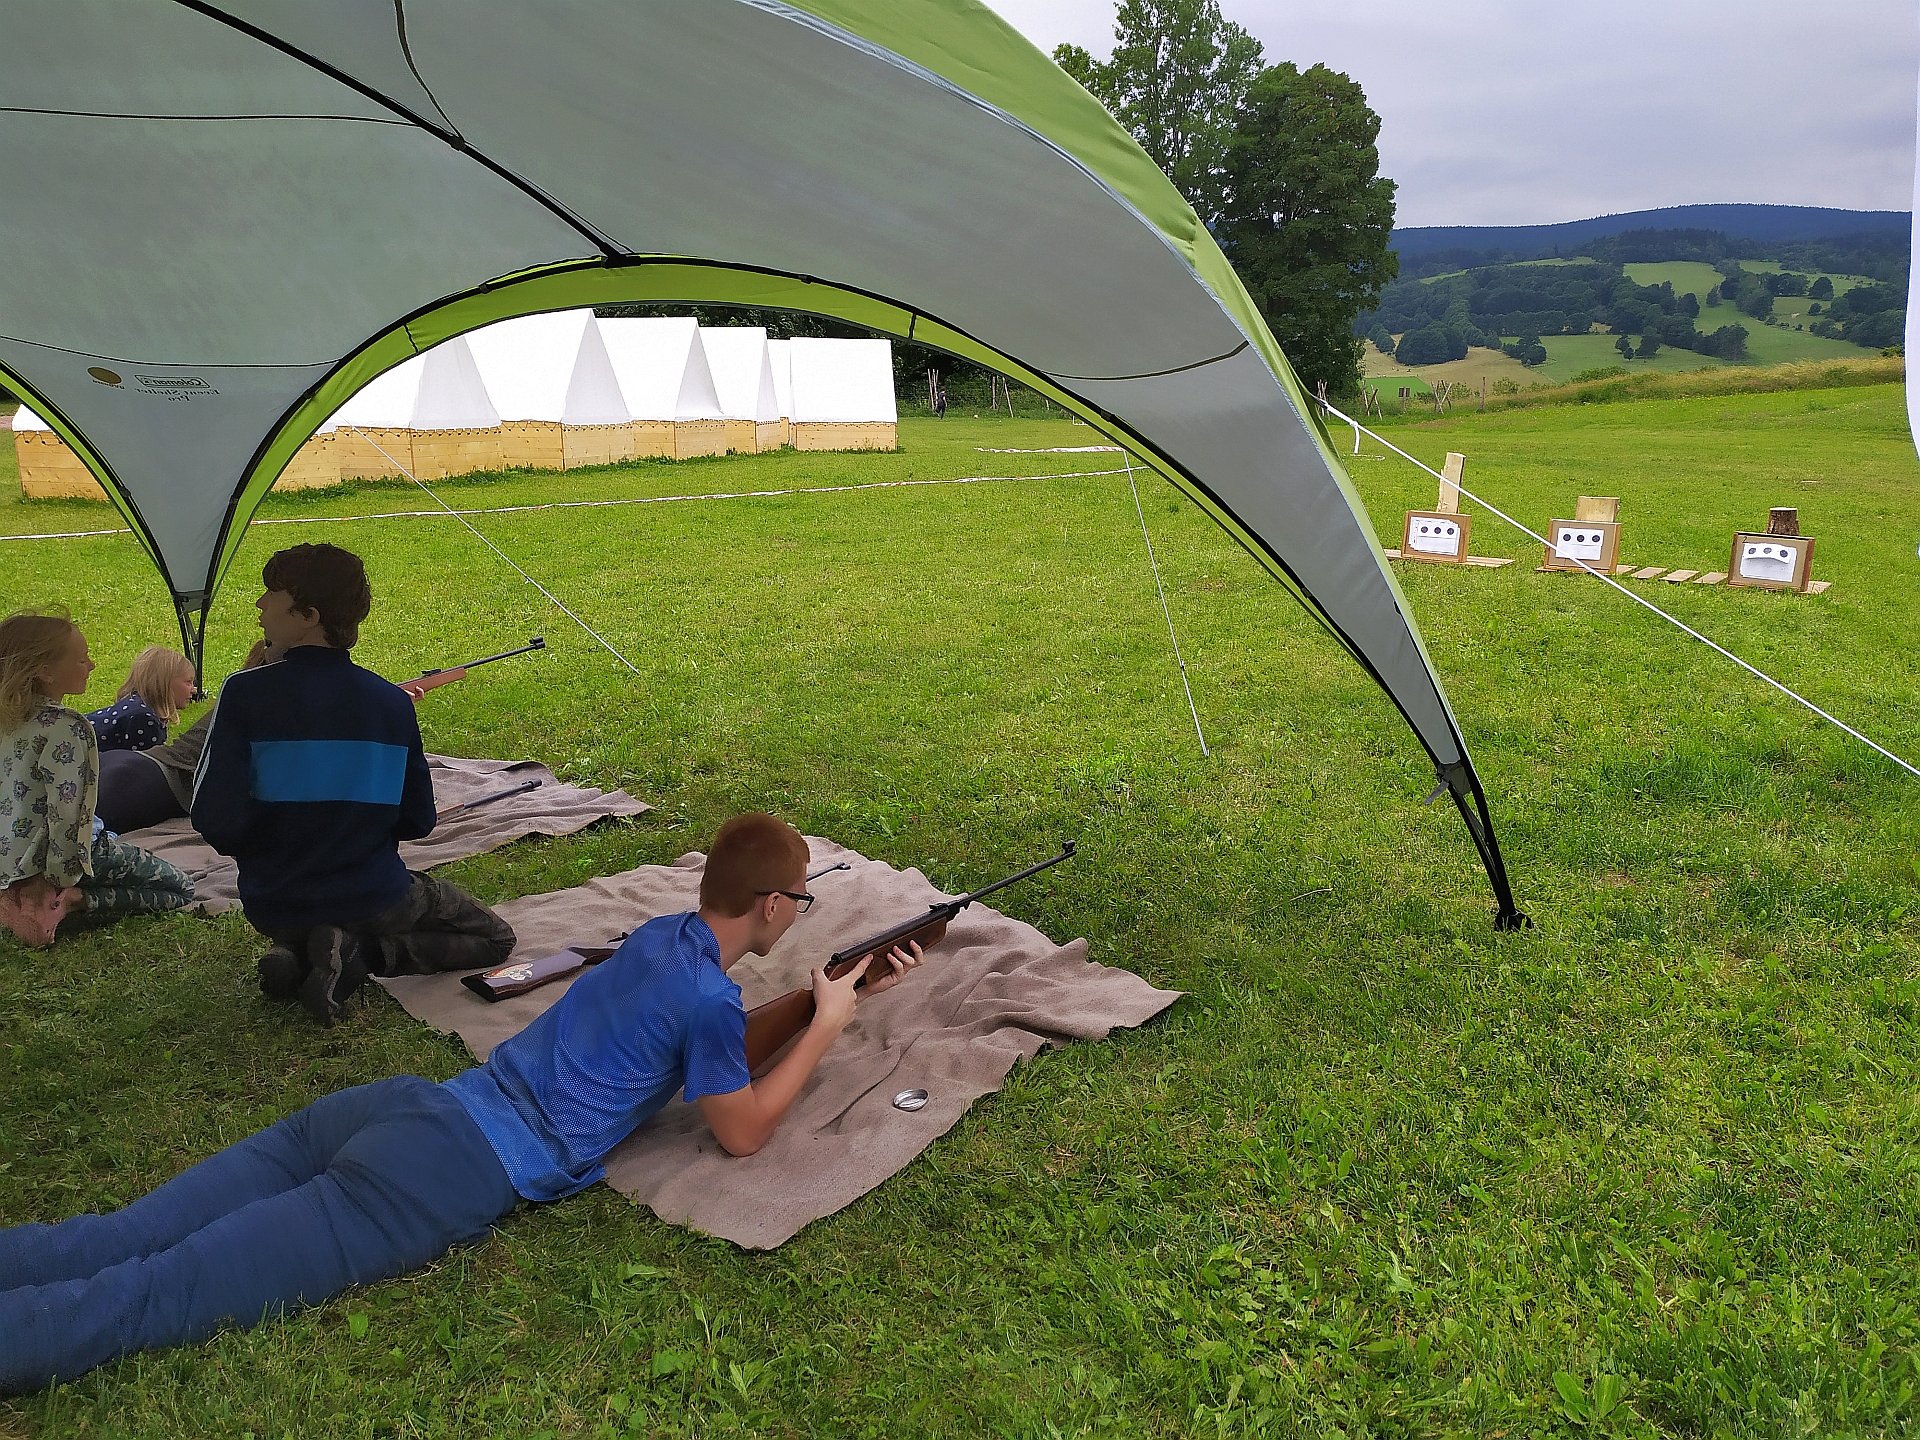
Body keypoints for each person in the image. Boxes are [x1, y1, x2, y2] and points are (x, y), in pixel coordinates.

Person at [0, 811, 921, 1393]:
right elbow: (742, 1129)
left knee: (124, 1236)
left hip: (399, 1108)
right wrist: (829, 1027)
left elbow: (704, 1049)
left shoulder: (660, 938)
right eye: (801, 898)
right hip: (439, 1175)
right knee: (156, 1296)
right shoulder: (709, 999)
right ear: (771, 907)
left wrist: (814, 1004)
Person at [189, 544, 515, 1023]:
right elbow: (418, 820)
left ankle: (298, 950)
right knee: (496, 938)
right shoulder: (390, 704)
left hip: (272, 900)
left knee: (311, 915)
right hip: (372, 896)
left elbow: (212, 813)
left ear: (308, 616)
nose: (260, 604)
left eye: (271, 594)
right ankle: (359, 955)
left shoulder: (243, 692)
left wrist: (272, 856)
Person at [0, 612, 196, 948]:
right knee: (181, 888)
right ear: (45, 671)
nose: (91, 665)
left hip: (11, 857)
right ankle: (68, 902)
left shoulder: (8, 719)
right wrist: (58, 880)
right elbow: (68, 814)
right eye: (82, 659)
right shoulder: (68, 728)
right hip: (71, 855)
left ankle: (15, 896)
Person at [94, 641, 270, 835]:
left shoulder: (237, 699)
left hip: (129, 764)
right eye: (188, 682)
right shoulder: (261, 705)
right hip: (147, 779)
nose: (194, 689)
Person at [86, 645, 195, 753]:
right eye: (188, 682)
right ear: (164, 684)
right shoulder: (143, 718)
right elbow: (141, 762)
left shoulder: (139, 707)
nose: (193, 690)